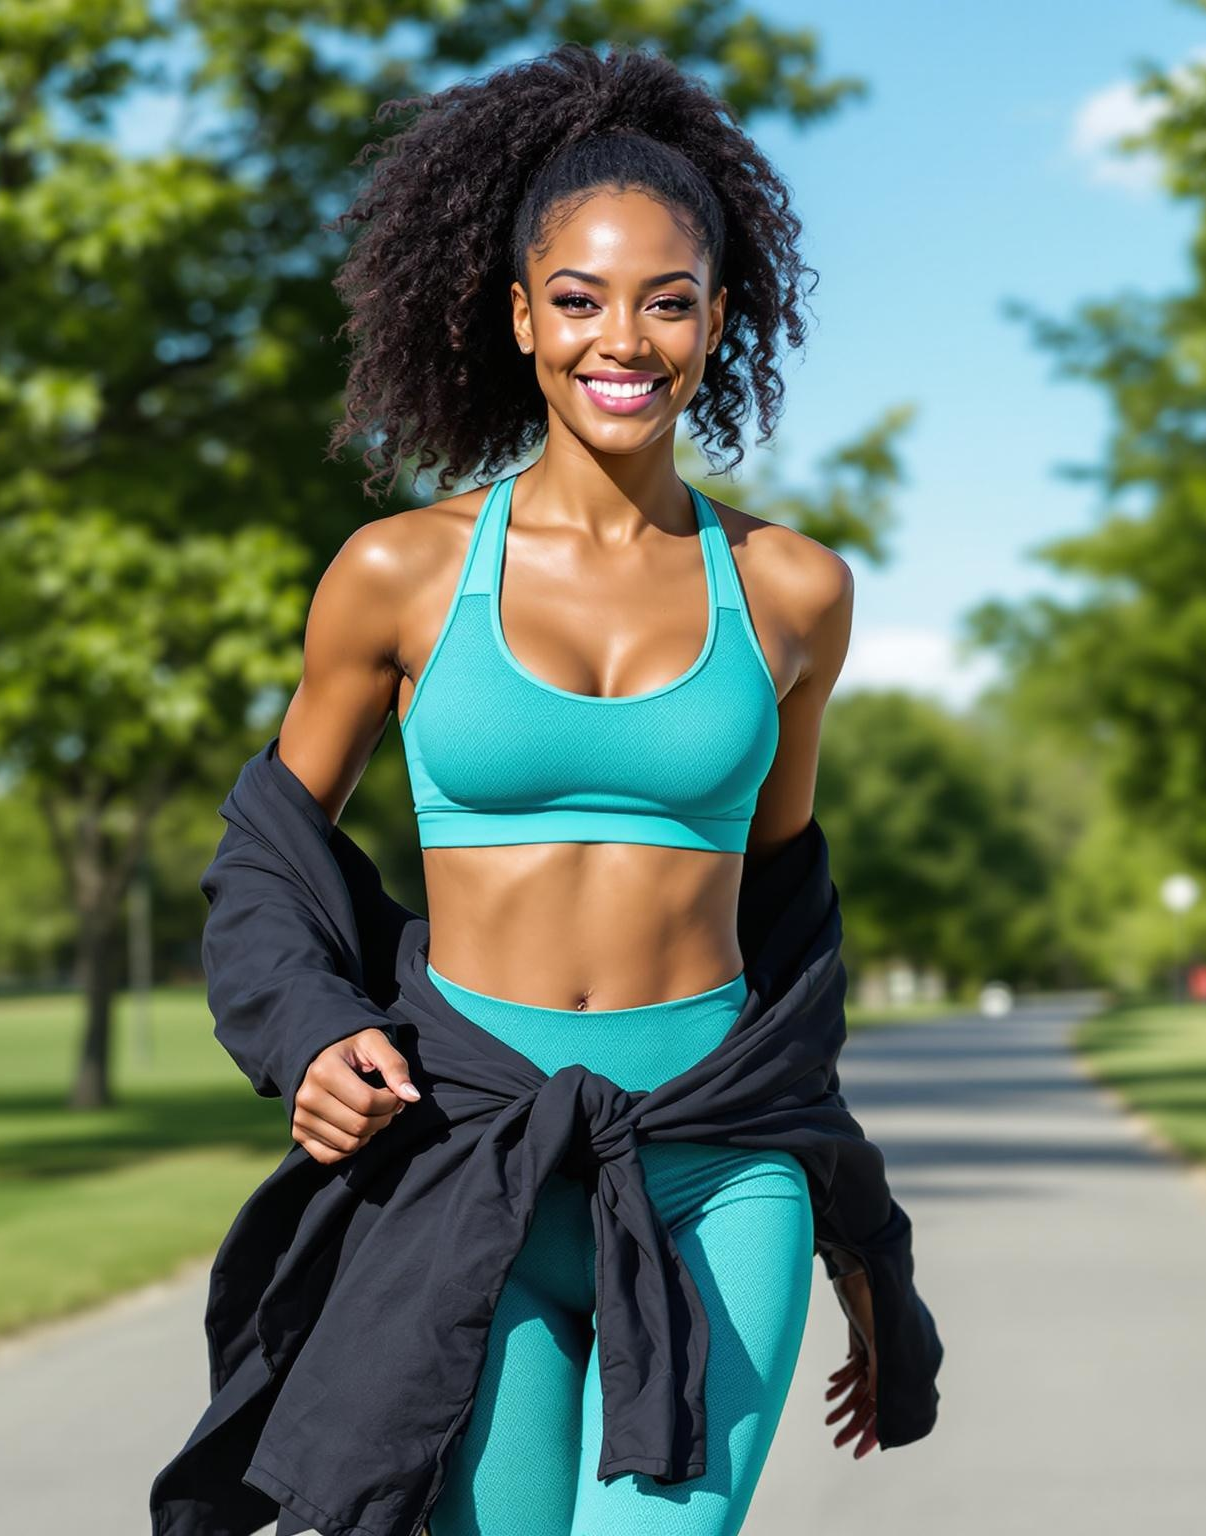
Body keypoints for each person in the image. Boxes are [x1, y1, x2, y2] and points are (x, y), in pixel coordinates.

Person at [277, 43, 862, 1536]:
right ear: (521, 313)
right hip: (471, 1151)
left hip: (715, 1160)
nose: (628, 339)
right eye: (584, 298)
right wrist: (311, 1035)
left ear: (718, 320)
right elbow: (271, 845)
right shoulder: (399, 574)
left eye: (670, 300)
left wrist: (850, 1203)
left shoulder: (790, 591)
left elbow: (790, 912)